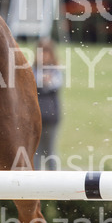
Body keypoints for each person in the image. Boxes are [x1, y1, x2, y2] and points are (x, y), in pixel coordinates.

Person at [33, 38, 63, 170]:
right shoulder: (33, 70)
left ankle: (53, 178)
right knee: (36, 151)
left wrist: (45, 82)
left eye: (46, 53)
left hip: (51, 116)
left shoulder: (56, 70)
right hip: (36, 116)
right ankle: (34, 179)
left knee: (50, 150)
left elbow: (56, 84)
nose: (43, 56)